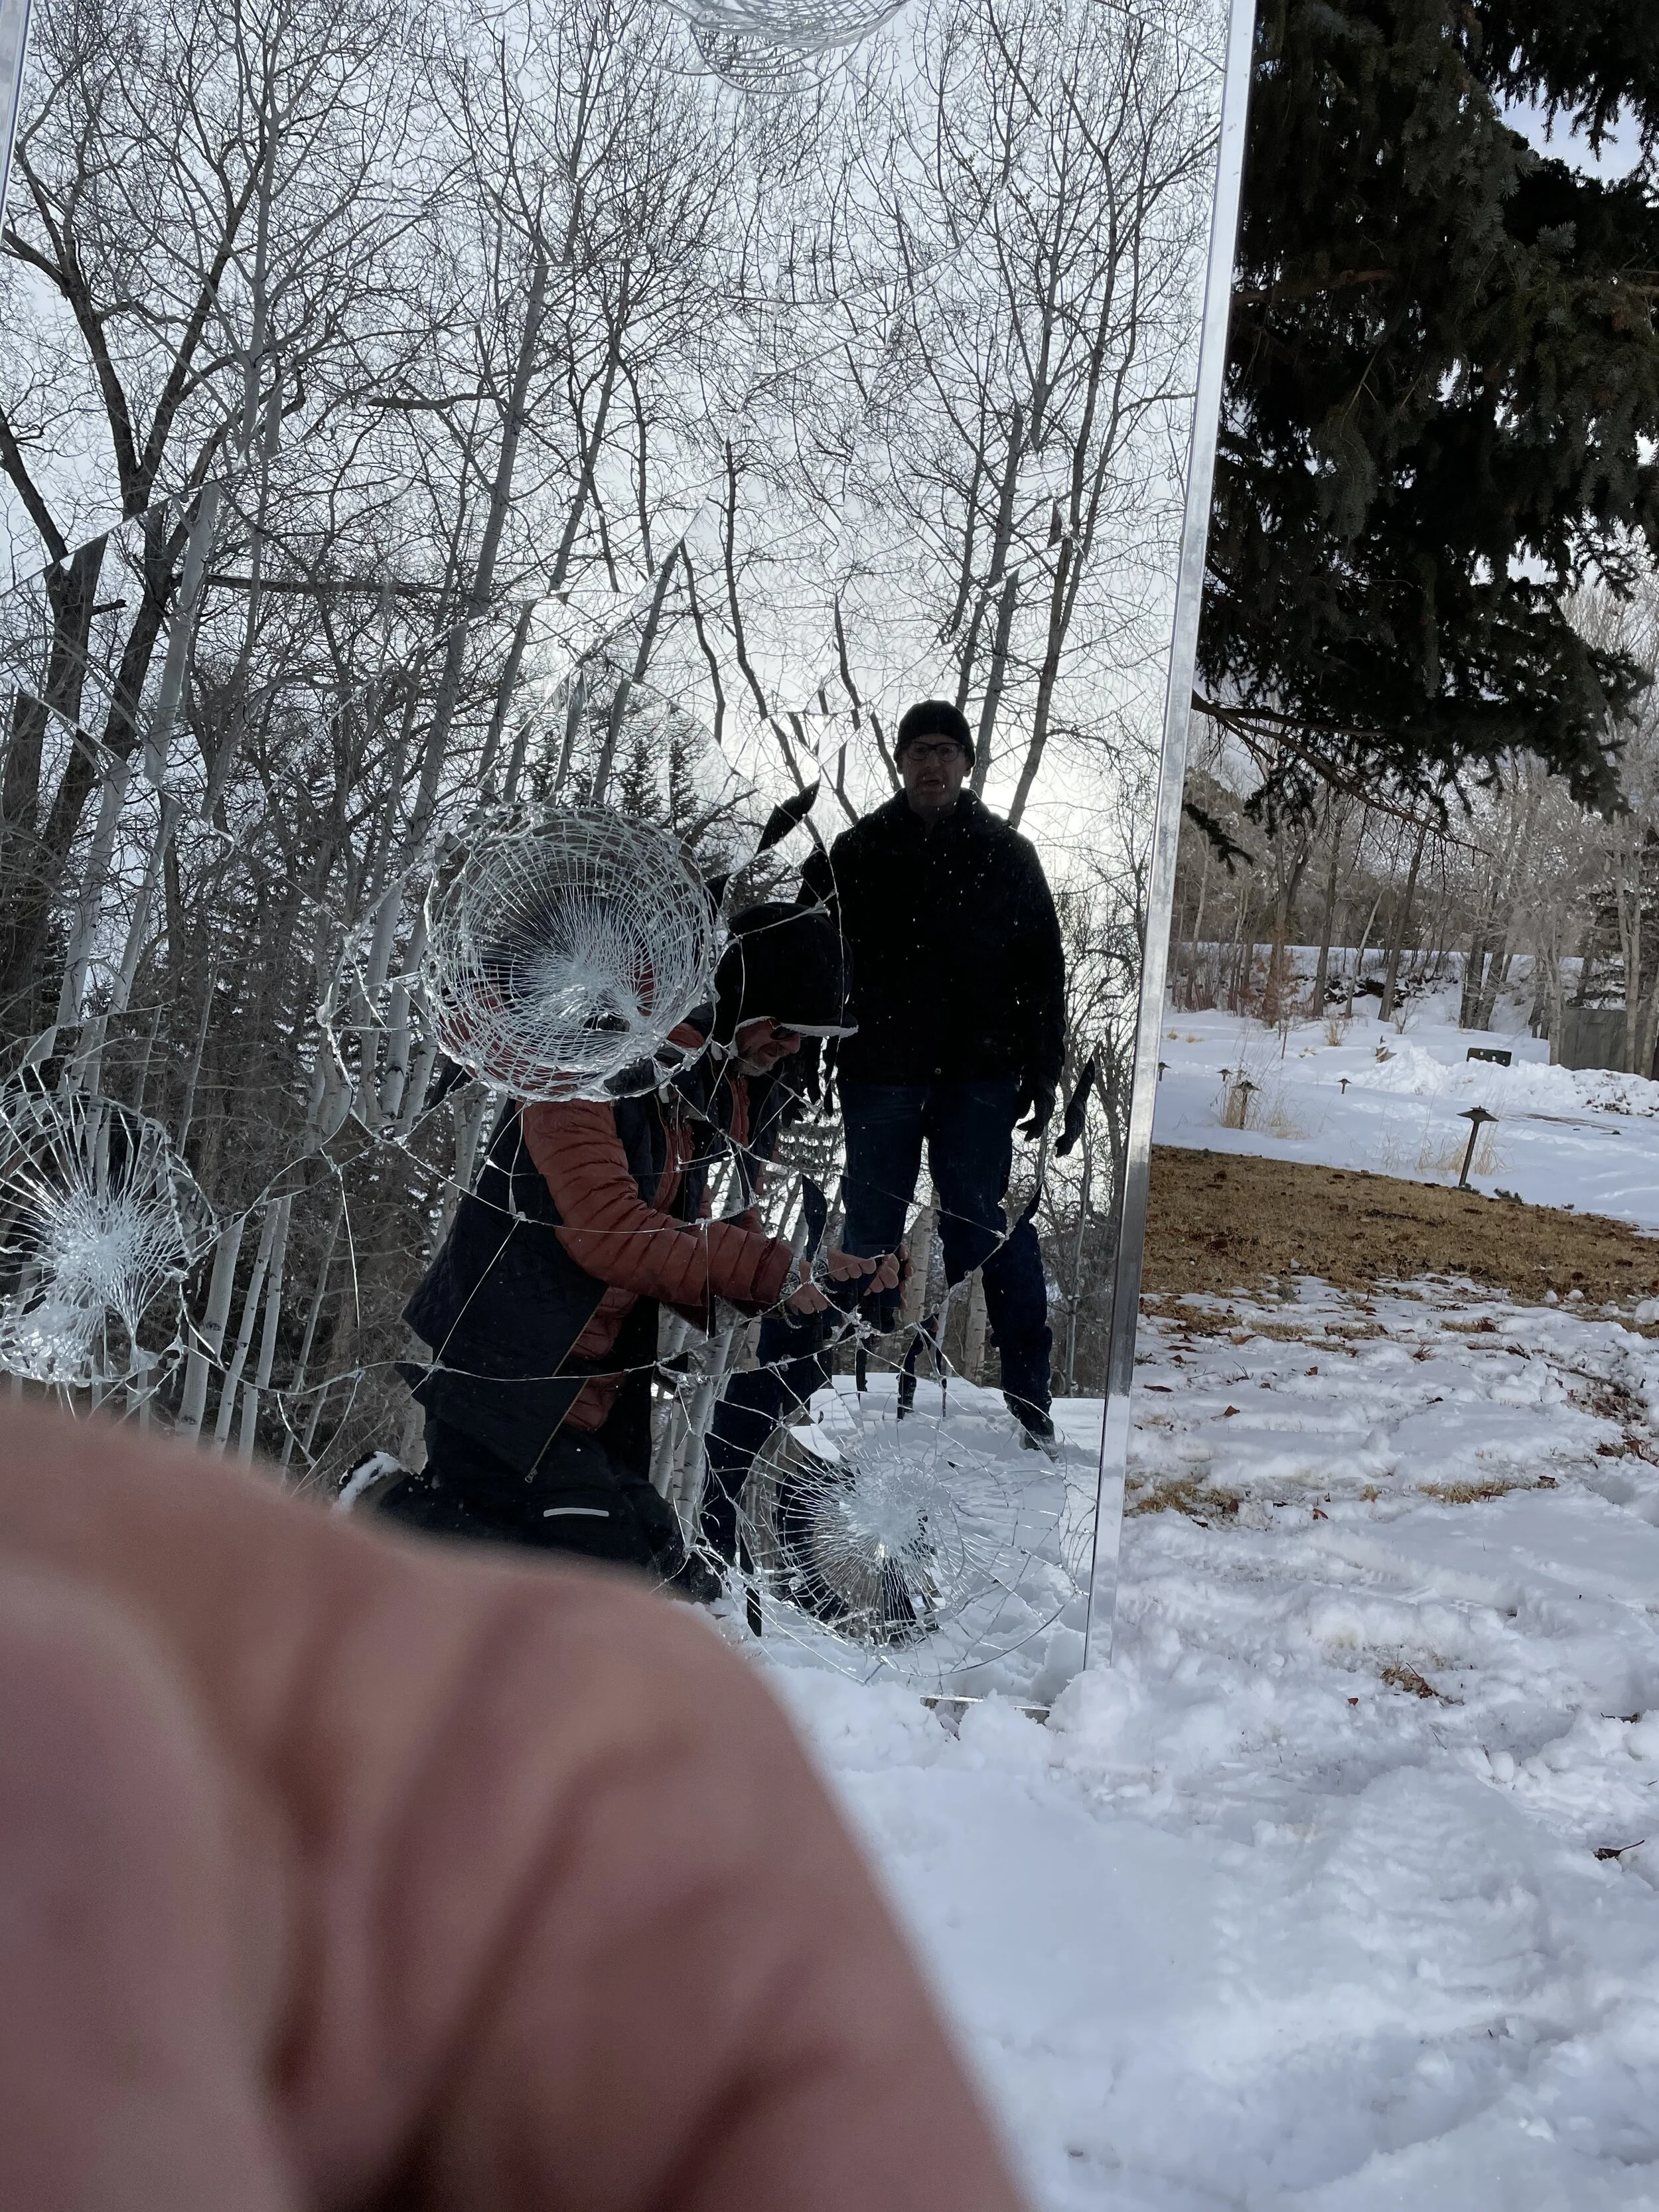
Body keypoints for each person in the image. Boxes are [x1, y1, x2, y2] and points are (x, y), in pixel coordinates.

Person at [0, 1398, 1029, 2212]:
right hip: (519, 1376)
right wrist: (729, 1259)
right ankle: (394, 1502)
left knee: (629, 1544)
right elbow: (604, 1229)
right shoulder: (593, 1134)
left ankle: (404, 1510)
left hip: (585, 1399)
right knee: (583, 1548)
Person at [382, 903, 897, 1585]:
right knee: (605, 1581)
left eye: (808, 1036)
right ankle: (385, 1516)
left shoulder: (687, 1097)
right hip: (504, 1381)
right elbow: (610, 1232)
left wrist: (820, 1275)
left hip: (592, 1395)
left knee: (660, 1567)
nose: (794, 1048)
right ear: (732, 997)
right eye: (786, 1026)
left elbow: (712, 1243)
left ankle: (401, 1536)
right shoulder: (583, 1066)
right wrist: (775, 1270)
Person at [802, 699, 1065, 1449]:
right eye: (919, 749)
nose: (933, 763)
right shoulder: (855, 853)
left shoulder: (1008, 855)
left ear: (966, 762)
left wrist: (1043, 1073)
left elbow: (1043, 973)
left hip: (979, 1075)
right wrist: (804, 1050)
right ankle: (829, 1381)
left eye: (947, 749)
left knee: (980, 1219)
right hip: (878, 1070)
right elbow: (808, 958)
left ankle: (1029, 1394)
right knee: (870, 1226)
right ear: (901, 761)